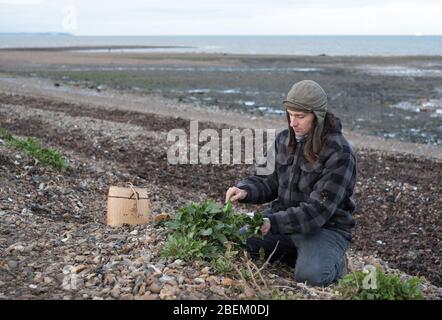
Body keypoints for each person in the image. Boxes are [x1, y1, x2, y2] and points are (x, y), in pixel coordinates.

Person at [225, 80, 357, 287]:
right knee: (234, 241)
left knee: (310, 276)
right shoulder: (284, 139)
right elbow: (266, 180)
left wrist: (271, 223)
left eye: (300, 117)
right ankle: (295, 254)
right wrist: (245, 191)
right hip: (283, 222)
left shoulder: (340, 152)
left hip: (324, 229)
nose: (293, 123)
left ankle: (336, 263)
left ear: (318, 117)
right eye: (290, 115)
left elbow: (317, 211)